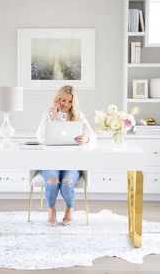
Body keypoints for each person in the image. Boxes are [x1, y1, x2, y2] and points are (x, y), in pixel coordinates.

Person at [36, 85, 97, 226]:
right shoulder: (48, 114)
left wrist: (86, 139)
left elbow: (92, 136)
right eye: (63, 100)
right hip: (51, 161)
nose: (66, 105)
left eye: (70, 102)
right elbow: (40, 138)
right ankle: (51, 209)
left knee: (67, 182)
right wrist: (53, 118)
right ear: (58, 99)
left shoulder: (78, 116)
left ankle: (70, 208)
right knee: (52, 181)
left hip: (72, 162)